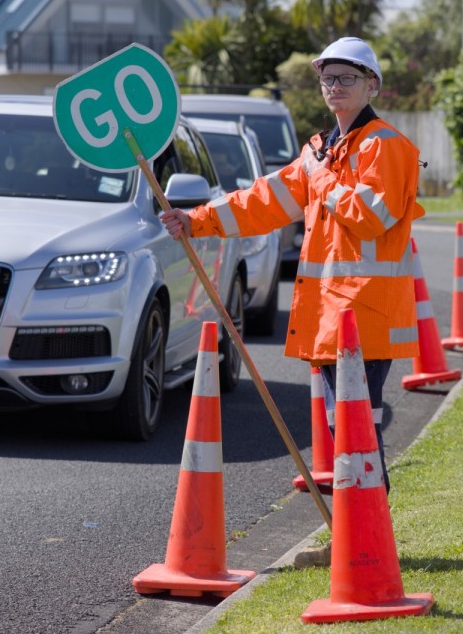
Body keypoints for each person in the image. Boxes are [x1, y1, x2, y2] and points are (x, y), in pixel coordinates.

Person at [160, 36, 424, 481]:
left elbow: (370, 217)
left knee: (356, 432)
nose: (335, 86)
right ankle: (357, 541)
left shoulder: (384, 146)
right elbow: (262, 200)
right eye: (327, 77)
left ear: (372, 85)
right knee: (348, 431)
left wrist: (319, 176)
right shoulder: (322, 149)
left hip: (364, 318)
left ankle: (365, 544)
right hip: (333, 318)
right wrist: (196, 220)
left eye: (347, 77)